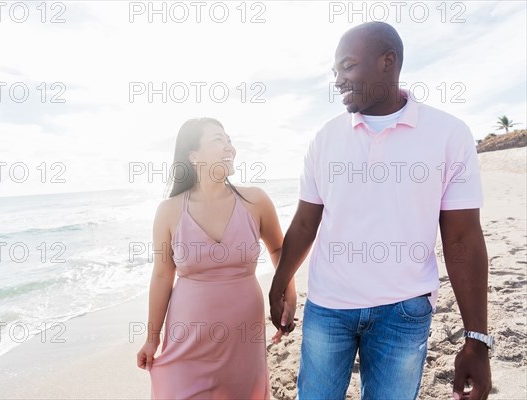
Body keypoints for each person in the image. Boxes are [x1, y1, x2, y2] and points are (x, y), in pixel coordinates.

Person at [269, 22, 492, 400]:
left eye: (348, 66)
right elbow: (307, 221)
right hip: (327, 308)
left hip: (403, 312)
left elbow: (462, 237)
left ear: (387, 62)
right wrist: (280, 281)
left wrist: (477, 338)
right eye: (335, 71)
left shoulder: (448, 134)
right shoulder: (325, 138)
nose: (337, 80)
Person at [136, 118, 296, 399]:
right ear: (193, 156)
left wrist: (288, 296)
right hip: (188, 336)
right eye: (218, 140)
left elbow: (279, 250)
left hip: (243, 335)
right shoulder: (170, 211)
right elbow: (162, 275)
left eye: (229, 141)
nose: (230, 147)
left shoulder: (255, 201)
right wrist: (152, 338)